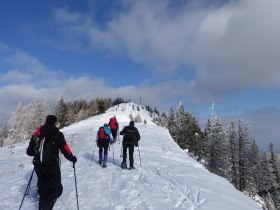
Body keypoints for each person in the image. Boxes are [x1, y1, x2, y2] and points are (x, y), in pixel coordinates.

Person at [26, 115, 77, 210]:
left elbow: (29, 152)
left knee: (43, 189)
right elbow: (65, 149)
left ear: (46, 121)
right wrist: (72, 158)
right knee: (56, 190)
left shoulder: (37, 133)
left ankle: (42, 206)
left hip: (38, 165)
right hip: (51, 165)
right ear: (55, 123)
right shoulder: (57, 134)